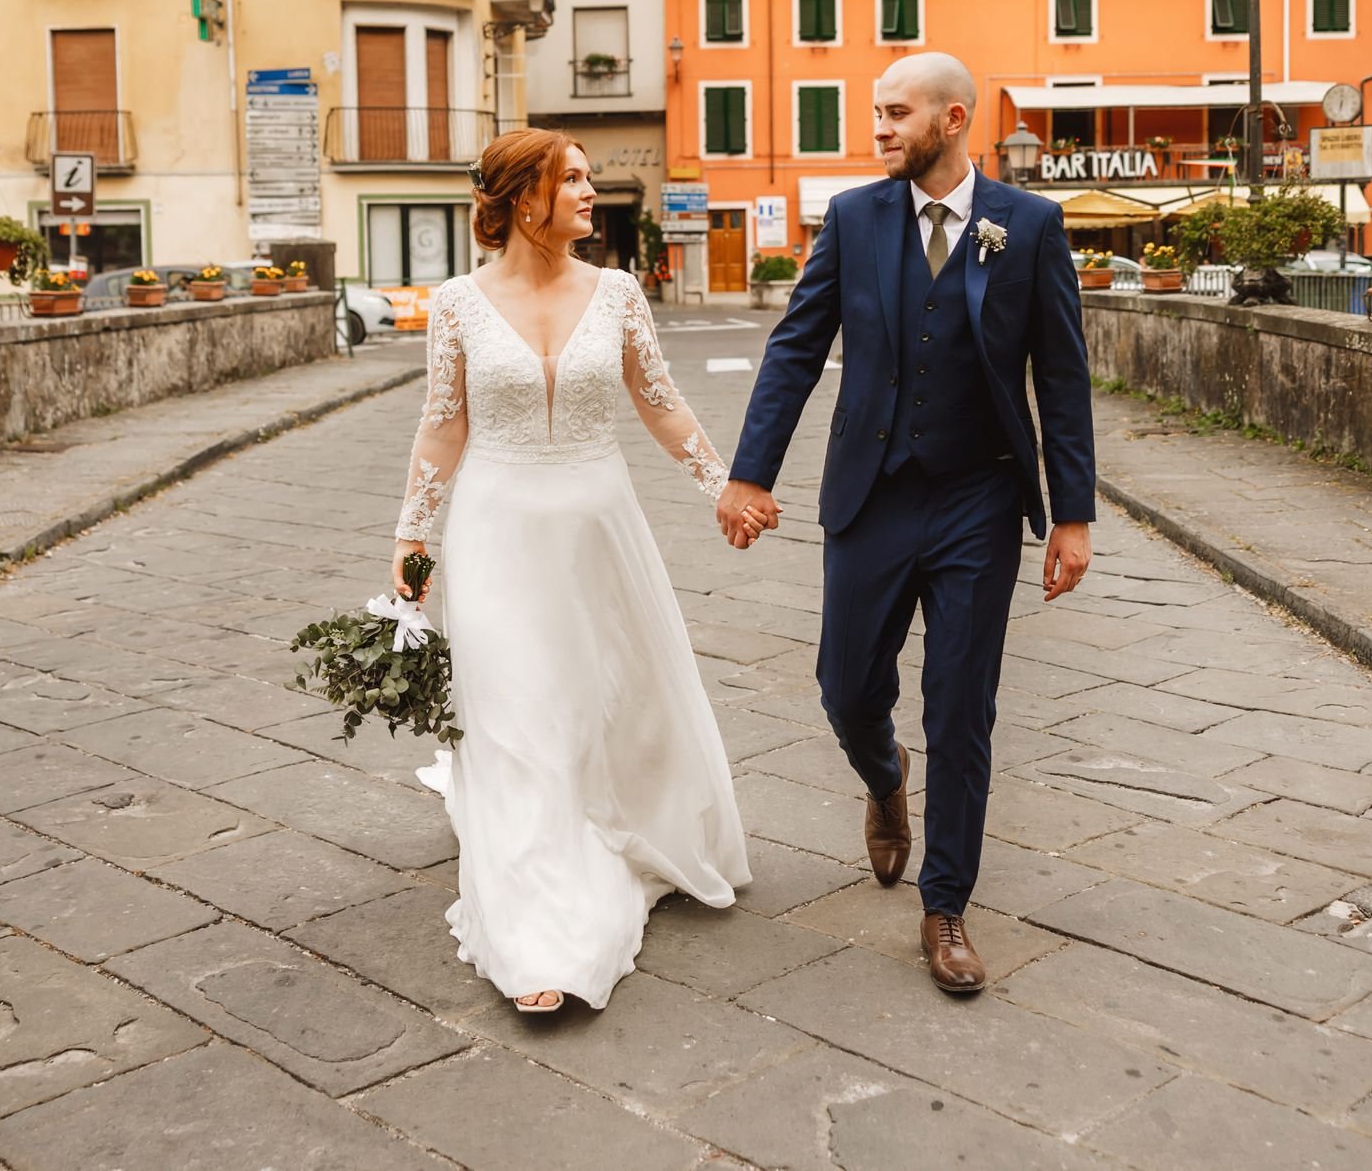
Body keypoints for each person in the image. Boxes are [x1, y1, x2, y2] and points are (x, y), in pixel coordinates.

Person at [718, 52, 1096, 994]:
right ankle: (885, 784)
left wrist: (1073, 515)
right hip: (872, 492)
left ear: (954, 118)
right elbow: (797, 346)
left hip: (979, 497)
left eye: (896, 113)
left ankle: (947, 906)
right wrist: (748, 474)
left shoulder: (1032, 226)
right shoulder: (853, 217)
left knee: (962, 708)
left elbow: (1062, 377)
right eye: (875, 114)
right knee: (845, 687)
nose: (879, 129)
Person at [390, 127, 749, 1014]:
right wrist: (413, 537)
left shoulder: (619, 292)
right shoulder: (458, 305)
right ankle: (541, 937)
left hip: (600, 530)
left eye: (590, 178)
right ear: (524, 201)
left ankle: (622, 825)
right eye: (575, 179)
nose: (593, 192)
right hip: (496, 534)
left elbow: (660, 406)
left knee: (608, 703)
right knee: (518, 721)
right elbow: (444, 425)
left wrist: (722, 489)